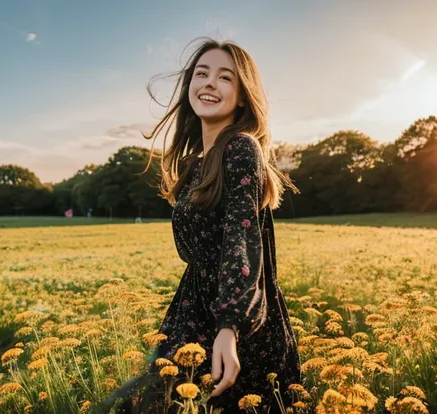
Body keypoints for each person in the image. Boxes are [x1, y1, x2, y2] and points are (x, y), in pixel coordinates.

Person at [101, 37, 303, 413]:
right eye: (202, 73)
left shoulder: (241, 148)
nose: (210, 82)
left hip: (238, 322)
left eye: (225, 77)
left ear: (243, 96)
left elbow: (240, 240)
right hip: (193, 309)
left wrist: (230, 326)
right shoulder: (196, 165)